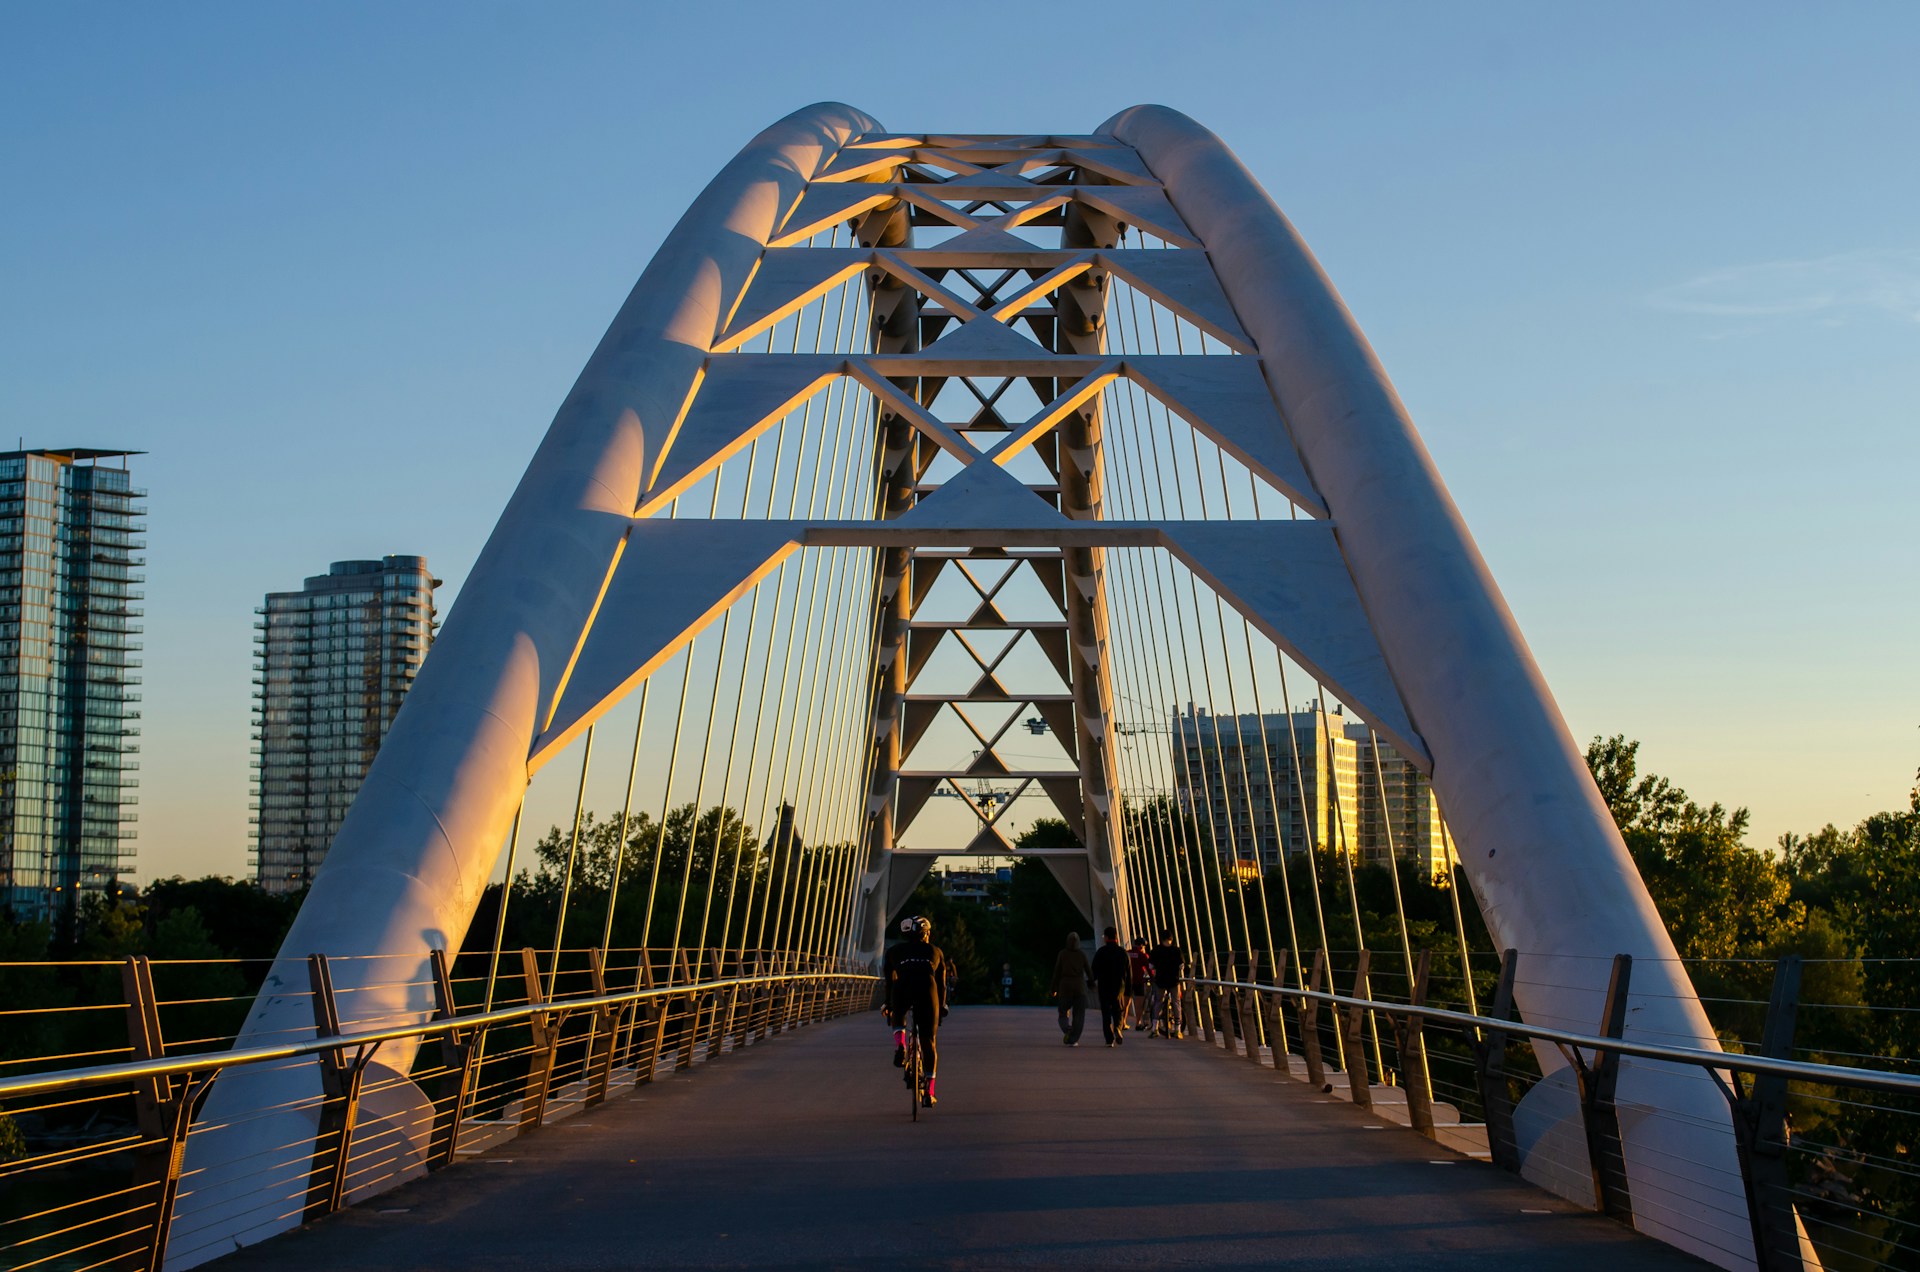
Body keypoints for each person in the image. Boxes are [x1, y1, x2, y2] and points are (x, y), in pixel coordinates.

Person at [883, 915, 949, 1106]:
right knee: (929, 1041)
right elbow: (941, 984)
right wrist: (942, 1005)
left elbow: (889, 980)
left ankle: (901, 1044)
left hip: (902, 986)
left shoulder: (894, 951)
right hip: (927, 991)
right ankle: (929, 1092)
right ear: (926, 933)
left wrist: (888, 1003)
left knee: (899, 1013)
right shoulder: (935, 951)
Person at [1090, 926, 1131, 1046]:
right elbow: (1129, 973)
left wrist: (1091, 981)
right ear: (1117, 938)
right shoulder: (1123, 953)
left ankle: (1109, 1039)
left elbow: (1094, 970)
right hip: (1119, 987)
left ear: (1106, 937)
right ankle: (1118, 1027)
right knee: (1118, 1010)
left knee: (1106, 1013)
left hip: (1104, 986)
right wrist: (1128, 989)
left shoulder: (1101, 952)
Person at [1049, 931, 1091, 1046]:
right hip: (1080, 988)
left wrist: (1053, 988)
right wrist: (1092, 984)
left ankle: (1067, 1029)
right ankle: (1073, 1038)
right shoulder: (1082, 955)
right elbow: (1088, 971)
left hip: (1065, 987)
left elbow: (1057, 972)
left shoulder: (1062, 954)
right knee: (1079, 1015)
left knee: (1062, 1013)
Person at [1148, 929, 1186, 1039]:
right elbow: (1181, 966)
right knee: (1176, 1002)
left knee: (1158, 1002)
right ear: (1171, 939)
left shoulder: (1156, 950)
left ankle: (1155, 1028)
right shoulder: (1177, 950)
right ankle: (1177, 1030)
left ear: (1161, 939)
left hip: (1160, 980)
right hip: (1174, 981)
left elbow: (1151, 966)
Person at [1126, 936, 1153, 1033]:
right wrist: (1152, 977)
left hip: (1127, 981)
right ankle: (1138, 1023)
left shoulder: (1127, 953)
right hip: (1138, 981)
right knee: (1139, 1004)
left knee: (1126, 1003)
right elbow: (1149, 968)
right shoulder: (1142, 955)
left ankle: (1122, 1022)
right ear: (1142, 946)